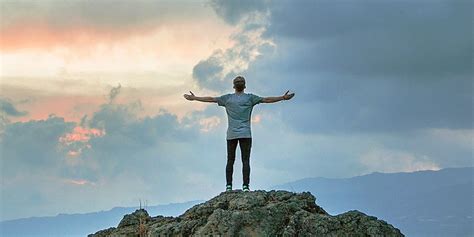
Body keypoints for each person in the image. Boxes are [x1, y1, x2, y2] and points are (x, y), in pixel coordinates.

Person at [183, 76, 295, 192]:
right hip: (246, 134)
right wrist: (283, 97)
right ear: (244, 86)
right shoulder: (250, 98)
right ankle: (245, 186)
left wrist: (195, 98)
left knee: (230, 160)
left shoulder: (227, 99)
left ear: (233, 86)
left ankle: (228, 186)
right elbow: (266, 100)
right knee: (245, 160)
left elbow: (211, 99)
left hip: (231, 134)